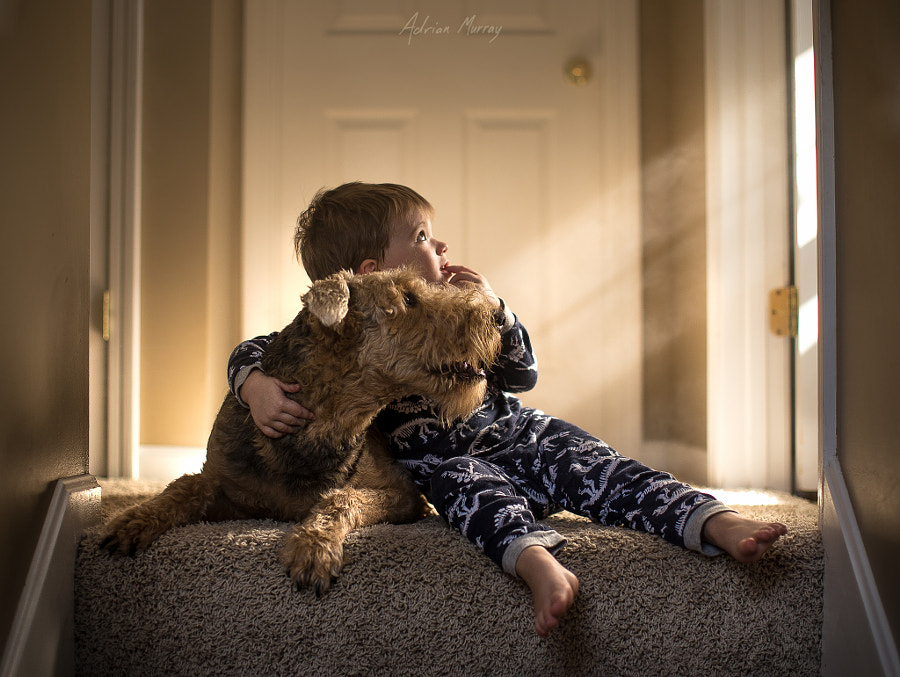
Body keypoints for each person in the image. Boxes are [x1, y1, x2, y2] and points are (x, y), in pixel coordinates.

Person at [228, 182, 788, 638]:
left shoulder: (463, 312)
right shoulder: (346, 327)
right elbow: (266, 347)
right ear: (373, 273)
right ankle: (538, 566)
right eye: (423, 237)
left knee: (603, 467)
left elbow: (522, 374)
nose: (442, 247)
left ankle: (712, 520)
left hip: (519, 432)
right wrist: (254, 386)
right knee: (475, 503)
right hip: (442, 461)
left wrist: (498, 310)